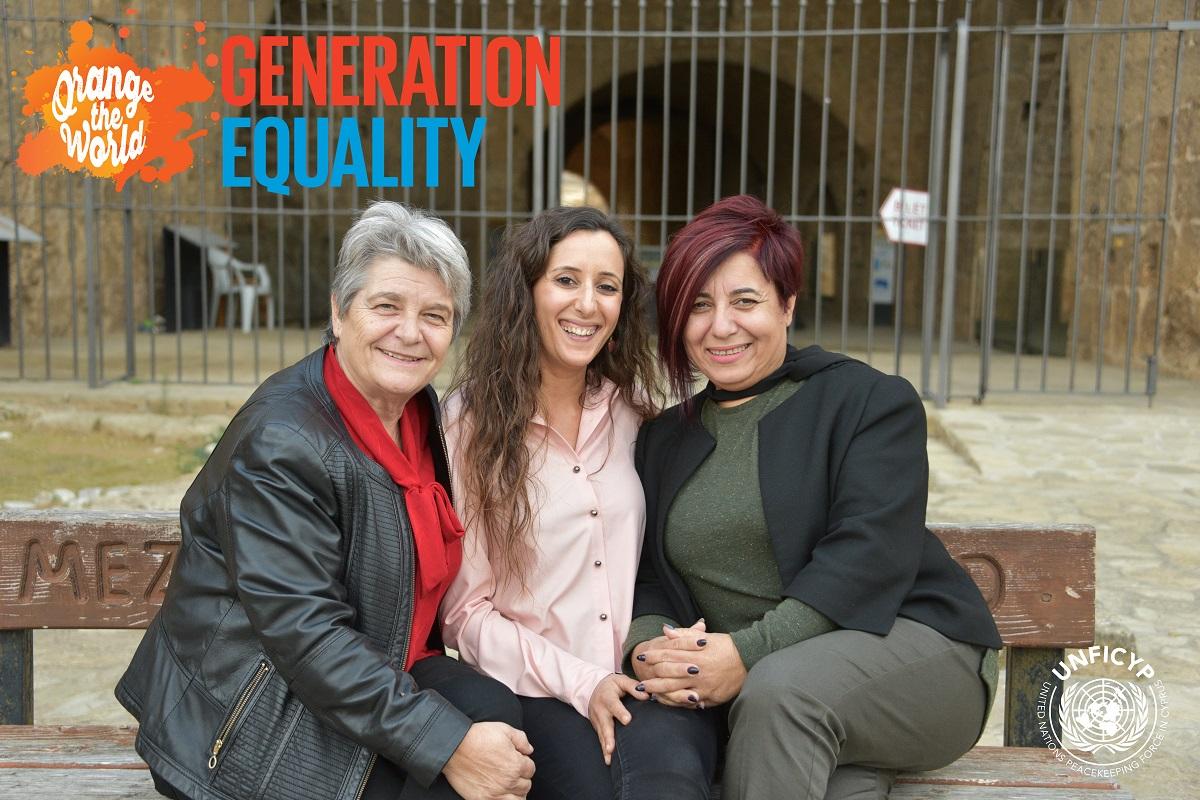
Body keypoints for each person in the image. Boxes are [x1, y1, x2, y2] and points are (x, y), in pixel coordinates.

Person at [116, 202, 535, 800]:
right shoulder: (282, 441)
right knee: (458, 770)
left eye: (434, 315)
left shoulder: (416, 411)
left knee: (499, 722)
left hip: (366, 668)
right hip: (252, 711)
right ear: (339, 311)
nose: (410, 333)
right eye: (386, 306)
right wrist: (446, 744)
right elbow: (307, 635)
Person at [626, 194, 1003, 800]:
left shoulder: (867, 402)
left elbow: (867, 553)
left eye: (745, 301)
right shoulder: (664, 438)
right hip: (770, 689)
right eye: (698, 305)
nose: (720, 326)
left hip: (913, 650)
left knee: (782, 695)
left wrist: (747, 654)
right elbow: (646, 574)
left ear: (787, 305)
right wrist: (649, 648)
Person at [440, 206, 716, 800]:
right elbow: (465, 614)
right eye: (566, 280)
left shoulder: (635, 410)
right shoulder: (470, 424)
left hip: (641, 681)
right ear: (527, 292)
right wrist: (583, 681)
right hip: (535, 689)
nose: (587, 304)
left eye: (607, 287)